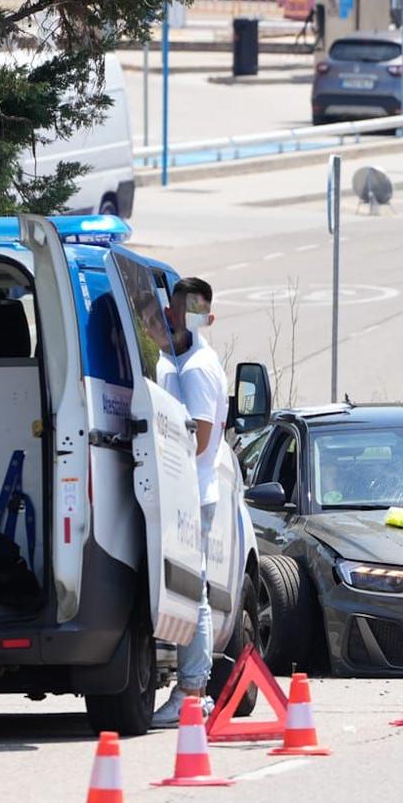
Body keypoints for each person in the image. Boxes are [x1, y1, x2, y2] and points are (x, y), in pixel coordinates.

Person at [152, 275, 226, 729]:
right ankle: (191, 688)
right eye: (178, 311)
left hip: (192, 494)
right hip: (187, 491)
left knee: (191, 589)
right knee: (186, 588)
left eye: (192, 314)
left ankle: (193, 691)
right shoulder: (176, 360)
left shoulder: (196, 367)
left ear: (207, 319)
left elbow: (198, 440)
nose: (181, 320)